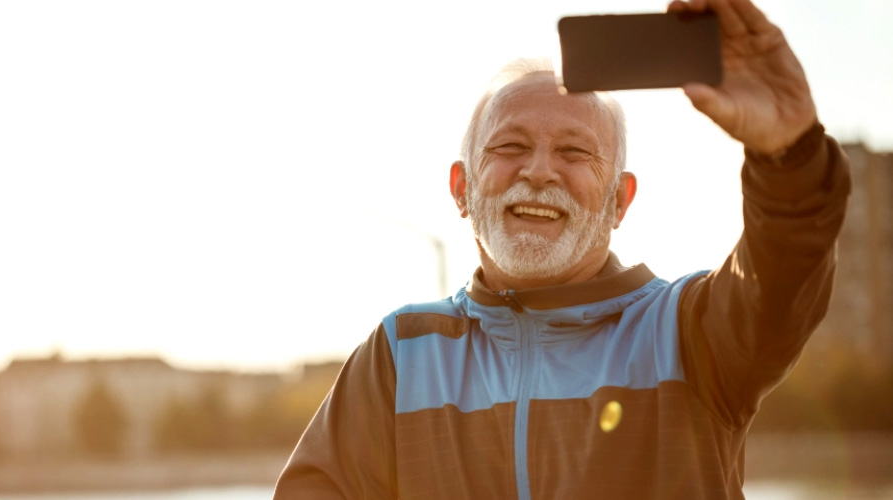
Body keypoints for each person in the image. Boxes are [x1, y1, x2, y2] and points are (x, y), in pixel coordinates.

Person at [274, 0, 851, 498]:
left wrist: (788, 154)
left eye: (576, 152)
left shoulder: (689, 330)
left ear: (620, 201)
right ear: (462, 189)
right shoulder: (401, 354)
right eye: (510, 145)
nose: (540, 170)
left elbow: (783, 273)